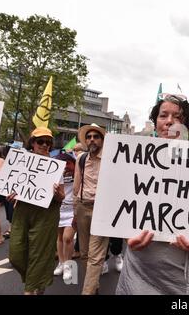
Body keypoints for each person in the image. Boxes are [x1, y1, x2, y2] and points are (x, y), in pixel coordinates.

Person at [116, 93, 189, 295]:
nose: (169, 122)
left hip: (183, 274)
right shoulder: (132, 160)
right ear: (155, 121)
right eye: (163, 115)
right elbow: (121, 210)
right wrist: (125, 236)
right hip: (139, 271)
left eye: (177, 117)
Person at [8, 127, 65, 295]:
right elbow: (12, 189)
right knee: (16, 254)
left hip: (46, 214)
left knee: (39, 255)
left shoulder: (55, 166)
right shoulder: (20, 162)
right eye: (41, 141)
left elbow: (61, 197)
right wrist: (10, 197)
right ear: (32, 143)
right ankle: (36, 282)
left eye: (48, 142)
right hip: (23, 212)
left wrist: (58, 194)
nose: (45, 145)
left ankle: (32, 289)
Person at [73, 123, 107, 295]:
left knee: (96, 257)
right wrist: (74, 210)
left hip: (102, 210)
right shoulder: (81, 158)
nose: (92, 139)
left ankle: (87, 292)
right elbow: (76, 187)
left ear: (102, 140)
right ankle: (94, 287)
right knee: (85, 254)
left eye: (96, 136)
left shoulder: (111, 158)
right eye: (89, 137)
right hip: (82, 207)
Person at [53, 152, 77, 283]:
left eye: (68, 163)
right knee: (60, 238)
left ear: (73, 163)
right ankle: (61, 263)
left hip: (73, 211)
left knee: (67, 238)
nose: (66, 166)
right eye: (63, 164)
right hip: (59, 210)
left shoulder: (80, 174)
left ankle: (68, 266)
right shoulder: (56, 175)